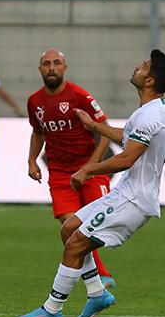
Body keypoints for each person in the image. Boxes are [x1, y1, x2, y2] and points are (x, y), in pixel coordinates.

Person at [19, 49, 165, 317]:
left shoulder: (151, 116)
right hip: (125, 192)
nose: (137, 67)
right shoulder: (151, 110)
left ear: (150, 81)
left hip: (134, 199)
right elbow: (127, 137)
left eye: (143, 66)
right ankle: (97, 292)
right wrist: (94, 126)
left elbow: (127, 158)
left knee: (76, 244)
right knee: (70, 230)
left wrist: (90, 168)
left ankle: (52, 309)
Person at [26, 48, 116, 288]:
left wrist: (91, 165)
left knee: (95, 225)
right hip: (59, 173)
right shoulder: (35, 101)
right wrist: (32, 160)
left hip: (89, 171)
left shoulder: (79, 96)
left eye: (57, 63)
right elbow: (38, 132)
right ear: (40, 69)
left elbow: (104, 129)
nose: (52, 68)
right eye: (46, 64)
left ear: (65, 68)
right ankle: (100, 278)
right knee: (72, 227)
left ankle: (97, 278)